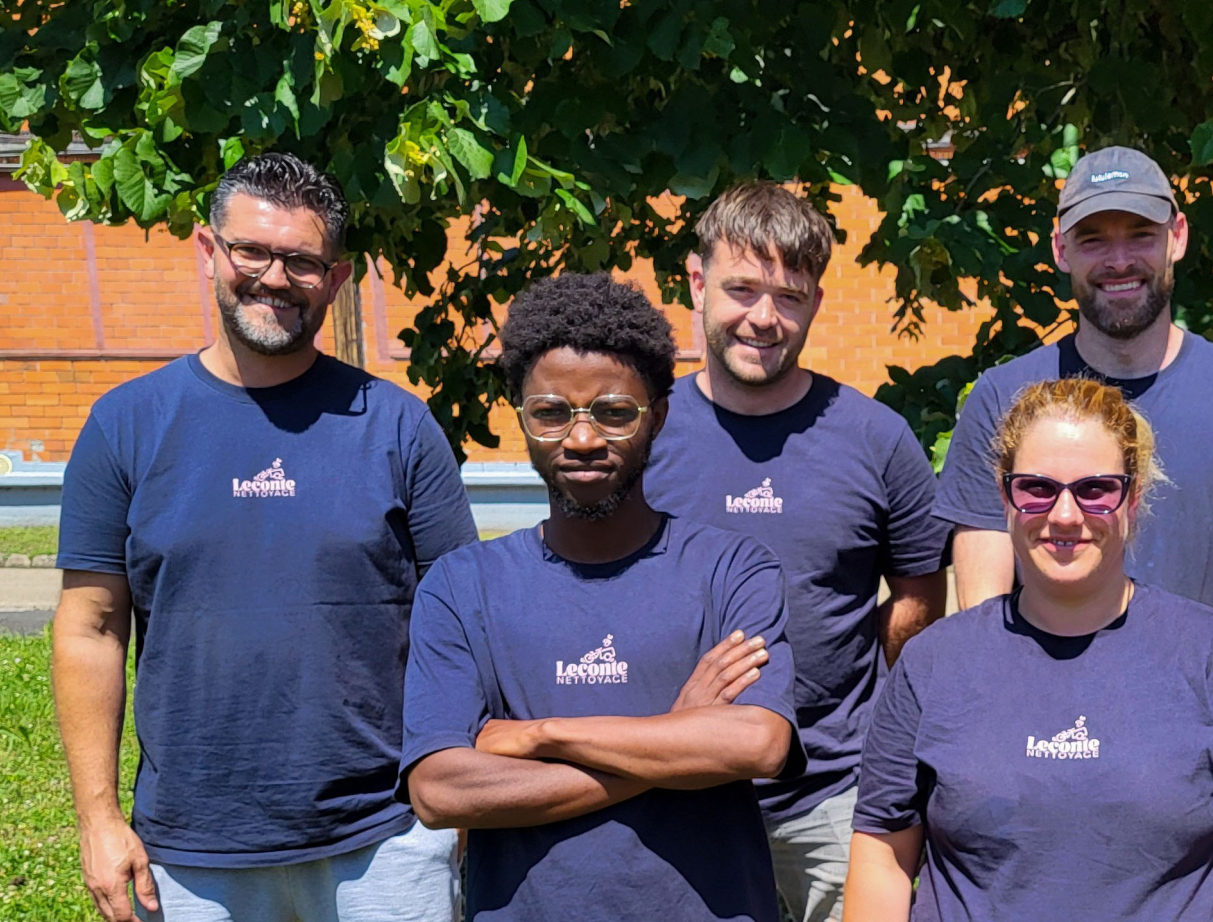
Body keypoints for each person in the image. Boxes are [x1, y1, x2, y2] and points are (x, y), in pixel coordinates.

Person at [51, 153, 477, 922]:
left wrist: (462, 793)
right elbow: (91, 625)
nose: (274, 278)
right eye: (252, 250)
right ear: (208, 251)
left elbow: (464, 620)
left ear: (336, 279)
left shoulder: (399, 426)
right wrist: (98, 818)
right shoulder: (127, 424)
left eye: (302, 261)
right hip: (187, 855)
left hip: (384, 838)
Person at [400, 273, 802, 921]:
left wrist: (537, 734)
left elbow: (755, 745)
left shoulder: (731, 568)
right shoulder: (462, 585)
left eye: (614, 412)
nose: (582, 439)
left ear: (658, 415)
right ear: (522, 416)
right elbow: (440, 790)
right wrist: (675, 740)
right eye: (552, 412)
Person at [846, 378, 1213, 921]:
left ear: (1132, 499)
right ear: (1005, 497)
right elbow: (882, 855)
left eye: (1095, 489)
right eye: (1037, 488)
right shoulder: (933, 664)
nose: (1065, 515)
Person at [643, 182, 949, 921]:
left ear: (814, 301)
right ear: (695, 281)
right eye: (741, 289)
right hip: (674, 792)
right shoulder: (639, 434)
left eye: (788, 295)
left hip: (838, 795)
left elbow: (917, 600)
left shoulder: (875, 440)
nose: (763, 318)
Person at [934, 145, 1213, 680]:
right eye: (1093, 240)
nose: (1118, 261)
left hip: (1200, 723)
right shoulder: (1002, 398)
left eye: (1140, 234)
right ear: (1061, 250)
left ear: (1177, 237)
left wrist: (1148, 718)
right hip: (1043, 722)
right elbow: (983, 605)